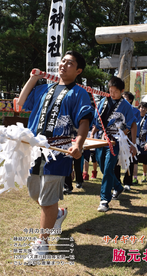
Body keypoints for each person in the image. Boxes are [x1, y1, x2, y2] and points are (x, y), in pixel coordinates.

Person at [18, 50, 94, 262]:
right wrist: (33, 78)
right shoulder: (44, 89)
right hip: (35, 150)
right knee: (35, 194)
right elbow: (21, 102)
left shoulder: (79, 93)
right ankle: (58, 214)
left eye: (70, 63)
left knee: (47, 197)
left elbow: (84, 120)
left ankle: (41, 243)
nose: (63, 65)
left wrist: (78, 144)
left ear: (78, 70)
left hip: (59, 152)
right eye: (63, 61)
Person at [91, 76, 137, 212]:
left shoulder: (126, 106)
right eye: (110, 90)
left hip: (115, 140)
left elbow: (131, 124)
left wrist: (132, 142)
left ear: (122, 91)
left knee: (108, 168)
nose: (112, 93)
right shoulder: (103, 101)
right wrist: (94, 130)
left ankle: (104, 200)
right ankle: (118, 186)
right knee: (102, 166)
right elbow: (97, 119)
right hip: (102, 139)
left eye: (115, 91)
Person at [114, 91, 140, 190]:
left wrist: (126, 131)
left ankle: (127, 182)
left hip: (129, 138)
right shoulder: (117, 109)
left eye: (124, 98)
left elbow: (134, 124)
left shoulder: (135, 111)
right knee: (116, 159)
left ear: (130, 100)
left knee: (129, 159)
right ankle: (117, 182)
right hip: (117, 136)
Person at [133, 102, 147, 183]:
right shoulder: (135, 117)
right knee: (135, 160)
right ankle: (135, 178)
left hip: (144, 143)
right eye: (141, 107)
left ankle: (144, 175)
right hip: (135, 142)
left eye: (144, 108)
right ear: (138, 108)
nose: (142, 109)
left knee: (144, 161)